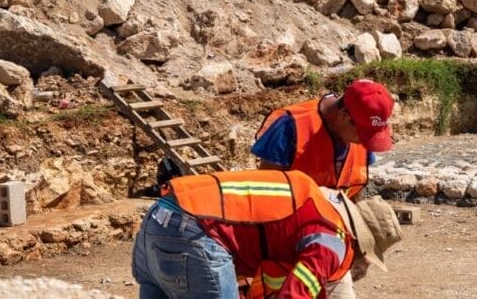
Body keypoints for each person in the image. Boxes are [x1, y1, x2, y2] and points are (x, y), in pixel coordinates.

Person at [132, 168, 403, 299]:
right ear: (360, 244)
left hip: (158, 218)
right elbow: (295, 295)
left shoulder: (314, 202)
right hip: (196, 231)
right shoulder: (333, 239)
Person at [251, 79, 394, 200]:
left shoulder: (360, 131)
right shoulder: (290, 127)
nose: (366, 142)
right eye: (364, 134)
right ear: (343, 116)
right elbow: (266, 195)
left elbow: (354, 192)